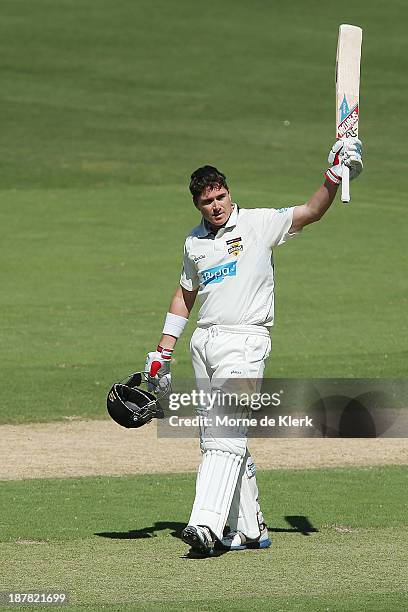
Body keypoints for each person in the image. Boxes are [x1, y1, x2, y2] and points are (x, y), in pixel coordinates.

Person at [145, 138, 363, 555]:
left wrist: (333, 176)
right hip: (204, 343)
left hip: (246, 340)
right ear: (197, 204)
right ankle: (248, 528)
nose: (216, 205)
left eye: (221, 196)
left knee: (226, 432)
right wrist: (163, 349)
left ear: (230, 192)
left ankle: (205, 525)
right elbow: (184, 294)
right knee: (214, 439)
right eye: (207, 201)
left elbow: (311, 210)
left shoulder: (259, 224)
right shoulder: (194, 243)